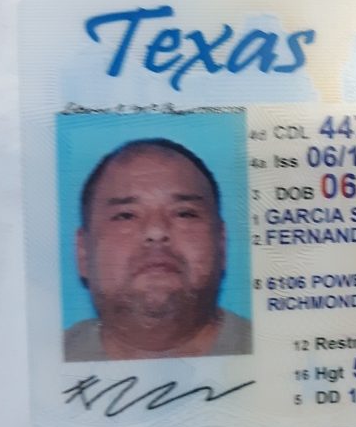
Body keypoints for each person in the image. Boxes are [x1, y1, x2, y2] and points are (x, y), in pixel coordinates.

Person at [64, 138, 252, 361]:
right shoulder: (40, 359)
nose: (156, 231)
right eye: (126, 215)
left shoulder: (278, 350)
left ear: (221, 243)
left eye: (184, 213)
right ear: (83, 252)